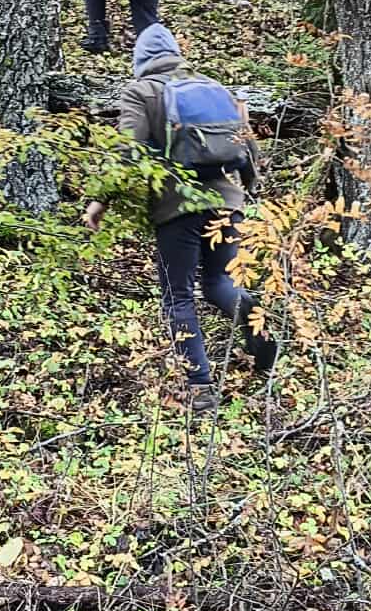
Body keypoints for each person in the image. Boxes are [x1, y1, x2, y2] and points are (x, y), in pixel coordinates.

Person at [82, 24, 279, 412]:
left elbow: (128, 150)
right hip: (228, 201)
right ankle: (254, 318)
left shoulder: (141, 91)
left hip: (178, 205)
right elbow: (247, 144)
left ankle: (201, 389)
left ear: (140, 60)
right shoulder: (213, 86)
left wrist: (100, 199)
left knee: (179, 296)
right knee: (220, 282)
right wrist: (249, 186)